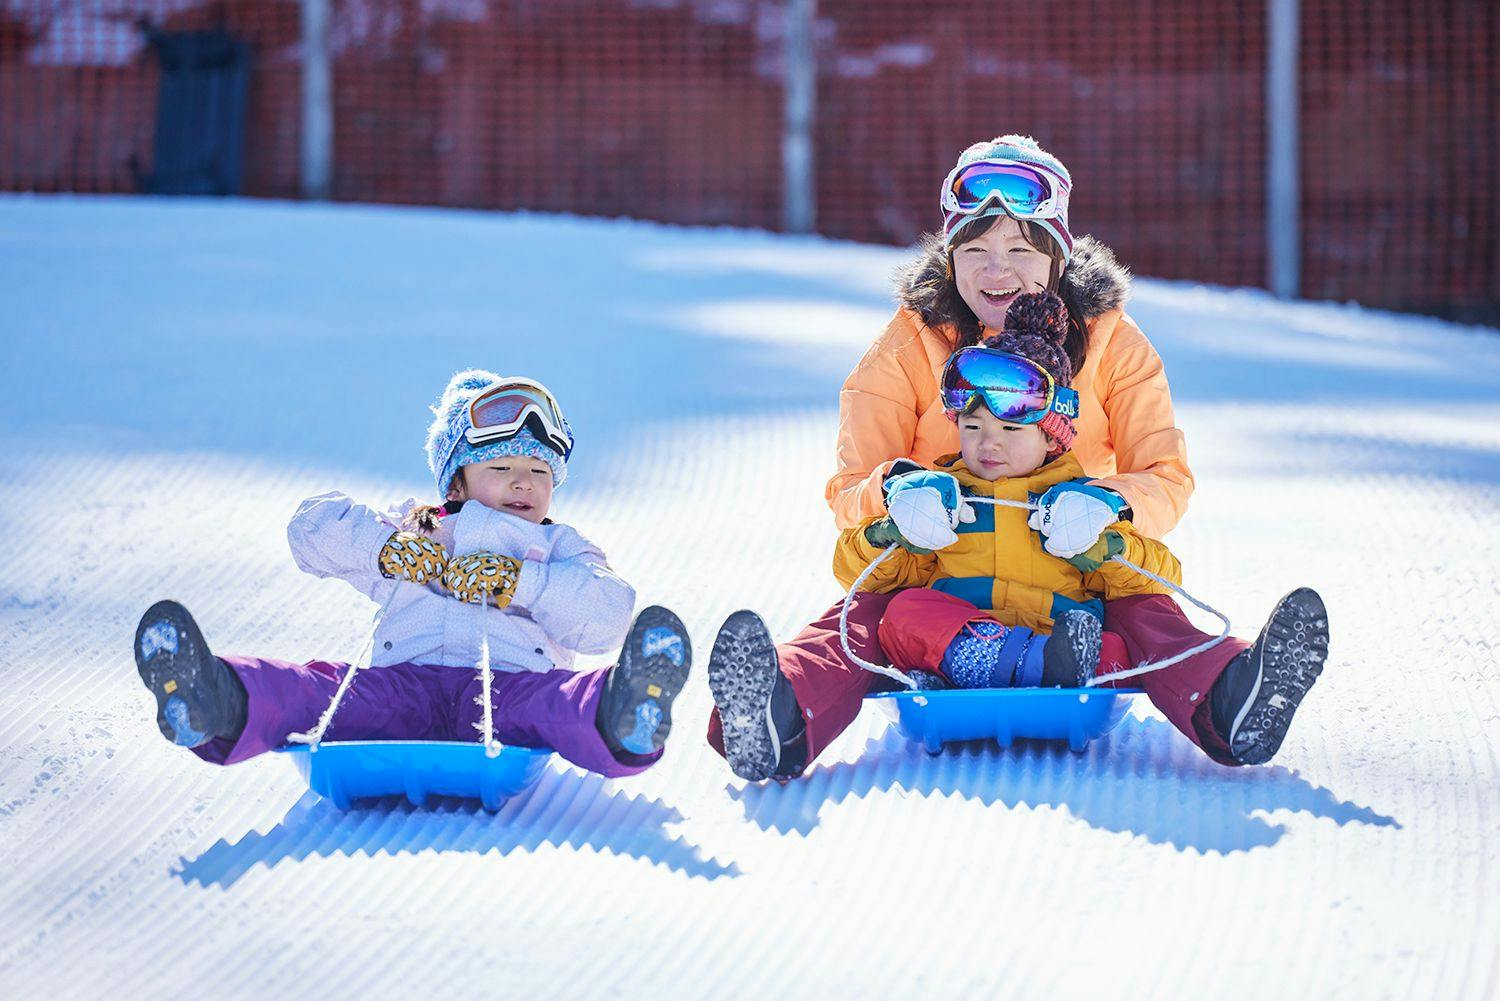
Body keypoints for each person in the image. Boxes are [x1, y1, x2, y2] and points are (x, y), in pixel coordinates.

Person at [706, 134, 1317, 778]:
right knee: (864, 614)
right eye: (975, 250)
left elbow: (1166, 477)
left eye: (1020, 250)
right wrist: (896, 495)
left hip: (1066, 571)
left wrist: (1109, 507)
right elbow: (851, 486)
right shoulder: (908, 344)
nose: (997, 271)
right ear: (949, 259)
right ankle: (775, 718)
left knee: (1147, 608)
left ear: (1056, 258)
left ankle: (1233, 700)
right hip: (946, 571)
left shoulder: (1112, 343)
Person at [836, 292, 1328, 768]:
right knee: (905, 612)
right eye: (972, 428)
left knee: (1117, 643)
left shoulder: (1075, 502)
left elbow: (1156, 579)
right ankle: (1009, 664)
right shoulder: (945, 496)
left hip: (1062, 644)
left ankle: (1235, 685)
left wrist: (1105, 543)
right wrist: (892, 532)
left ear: (1051, 436)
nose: (989, 444)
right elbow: (865, 577)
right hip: (962, 644)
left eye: (1010, 431)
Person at [132, 371, 691, 779]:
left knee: (560, 702)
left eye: (539, 471)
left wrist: (524, 583)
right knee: (320, 690)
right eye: (501, 468)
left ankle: (626, 712)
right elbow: (311, 530)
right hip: (405, 686)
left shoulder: (556, 546)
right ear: (456, 483)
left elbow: (607, 616)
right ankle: (215, 698)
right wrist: (386, 550)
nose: (523, 483)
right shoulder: (418, 530)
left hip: (512, 690)